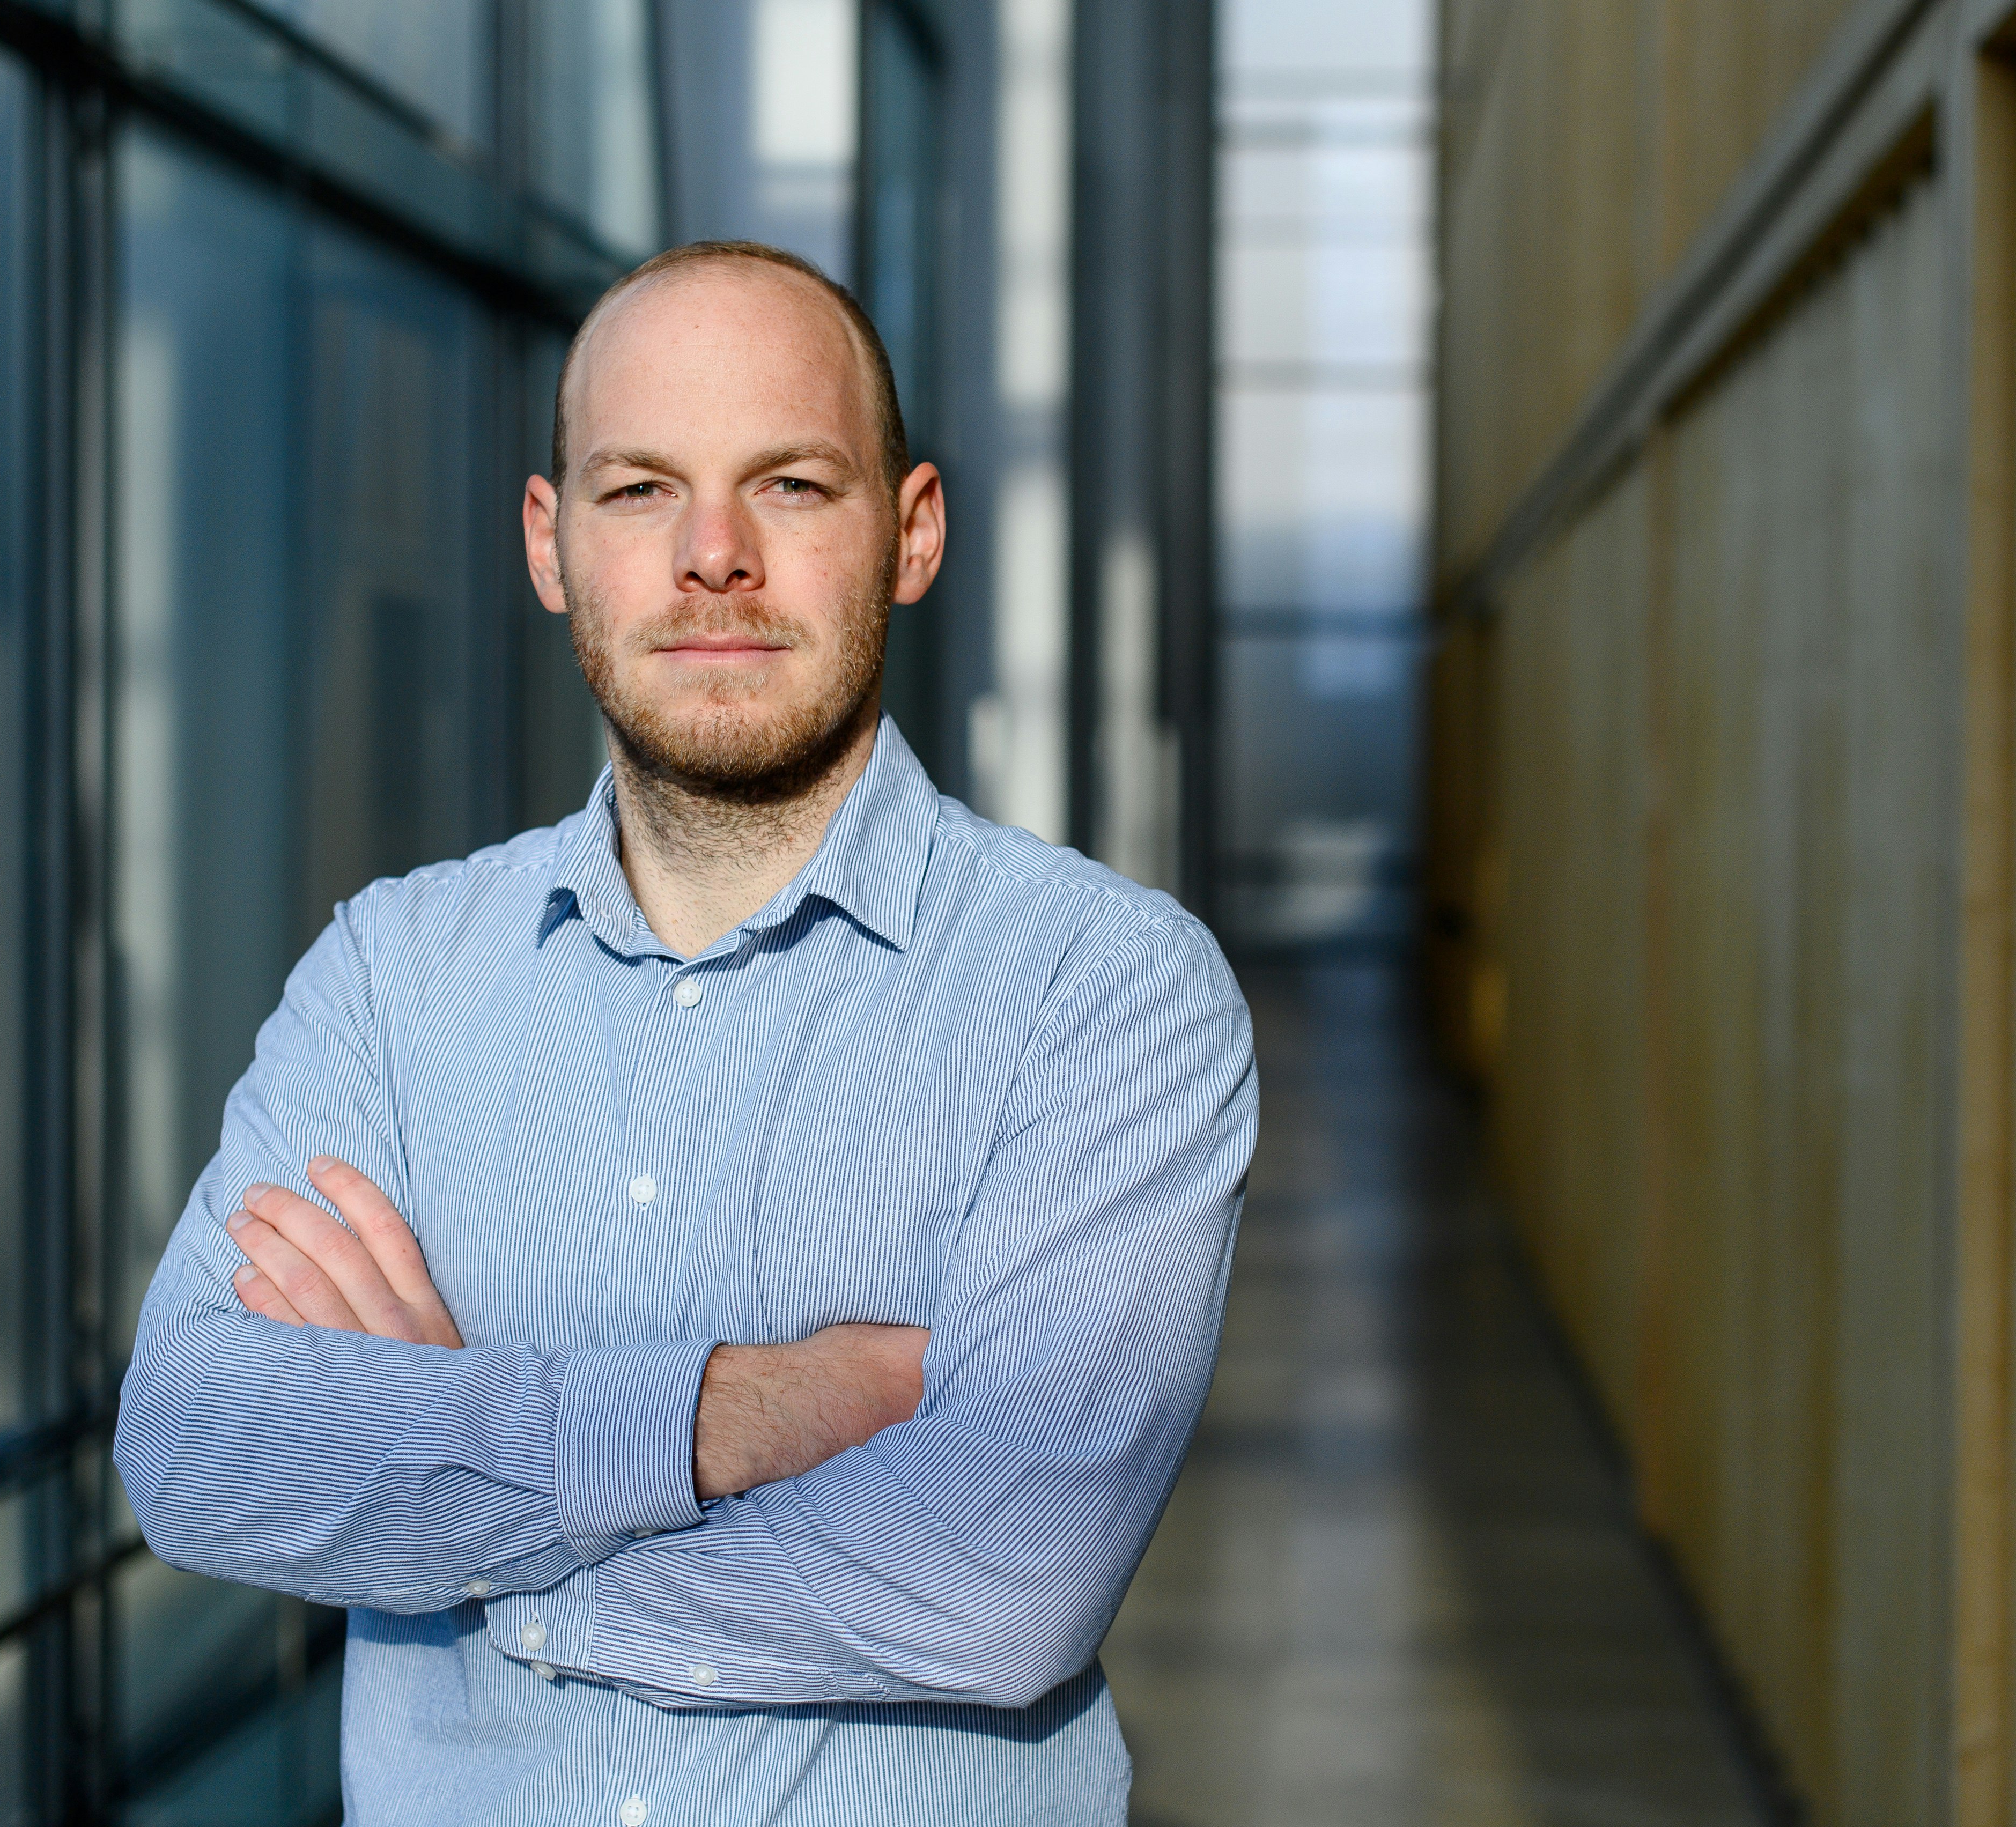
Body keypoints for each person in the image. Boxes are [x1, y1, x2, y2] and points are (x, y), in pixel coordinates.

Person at [114, 240, 1257, 1825]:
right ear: (550, 543)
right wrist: (729, 1413)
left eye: (789, 485)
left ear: (911, 535)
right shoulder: (394, 976)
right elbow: (194, 1449)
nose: (712, 556)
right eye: (640, 489)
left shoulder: (1105, 988)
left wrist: (463, 1486)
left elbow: (1000, 1578)